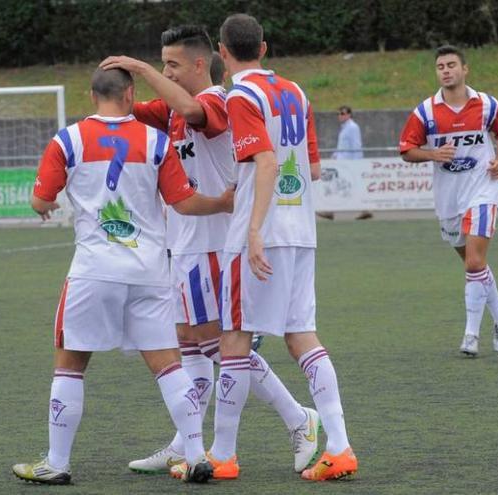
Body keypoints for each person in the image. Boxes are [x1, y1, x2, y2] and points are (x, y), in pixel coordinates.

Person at [99, 25, 320, 478]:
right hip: (184, 245)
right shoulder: (169, 111)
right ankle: (187, 441)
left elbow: (191, 108)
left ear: (202, 63)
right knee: (190, 345)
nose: (166, 72)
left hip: (215, 243)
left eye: (172, 64)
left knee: (219, 346)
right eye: (161, 64)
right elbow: (129, 111)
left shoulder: (220, 101)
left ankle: (299, 418)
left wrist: (140, 68)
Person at [12, 67, 233, 485]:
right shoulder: (157, 141)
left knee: (70, 366)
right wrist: (222, 203)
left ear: (92, 95)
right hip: (150, 272)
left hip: (94, 272)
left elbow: (41, 198)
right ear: (131, 94)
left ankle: (56, 463)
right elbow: (183, 203)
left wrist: (43, 206)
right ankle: (195, 453)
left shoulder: (69, 140)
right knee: (169, 366)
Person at [207, 13, 358, 482]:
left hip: (263, 233)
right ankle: (339, 447)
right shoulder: (296, 92)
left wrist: (253, 229)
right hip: (301, 231)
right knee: (301, 336)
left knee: (233, 338)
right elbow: (310, 169)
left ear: (222, 52)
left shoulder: (240, 95)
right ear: (265, 49)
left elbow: (267, 160)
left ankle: (223, 456)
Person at [399, 45, 498, 356]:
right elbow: (406, 149)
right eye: (440, 66)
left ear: (465, 70)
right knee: (473, 264)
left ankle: (470, 336)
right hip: (448, 199)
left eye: (451, 65)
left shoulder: (486, 105)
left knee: (475, 262)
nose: (446, 70)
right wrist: (432, 154)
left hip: (482, 191)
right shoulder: (425, 112)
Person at [317, 105, 372, 220]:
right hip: (342, 162)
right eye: (338, 114)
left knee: (344, 185)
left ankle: (363, 209)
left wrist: (357, 162)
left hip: (349, 162)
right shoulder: (345, 128)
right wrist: (335, 155)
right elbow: (342, 146)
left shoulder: (352, 127)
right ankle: (331, 211)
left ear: (349, 115)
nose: (339, 116)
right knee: (338, 185)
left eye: (342, 113)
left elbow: (356, 145)